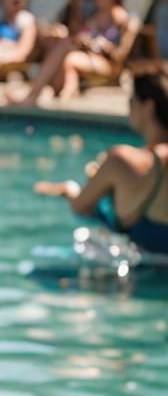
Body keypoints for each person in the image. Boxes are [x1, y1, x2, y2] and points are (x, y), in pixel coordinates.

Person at [34, 65, 168, 254]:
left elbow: (80, 206)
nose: (129, 108)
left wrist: (69, 190)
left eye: (132, 101)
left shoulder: (122, 160)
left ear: (149, 106)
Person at [7, 0, 129, 106]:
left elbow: (121, 55)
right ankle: (40, 92)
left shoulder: (121, 18)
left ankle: (35, 94)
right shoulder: (97, 16)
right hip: (89, 55)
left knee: (67, 55)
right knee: (62, 45)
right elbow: (82, 35)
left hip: (108, 64)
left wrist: (101, 45)